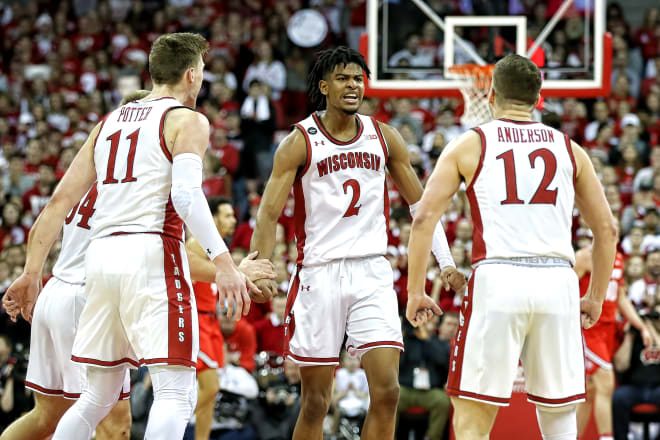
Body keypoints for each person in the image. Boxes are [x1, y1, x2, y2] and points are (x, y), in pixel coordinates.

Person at [2, 33, 257, 440]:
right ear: (191, 75)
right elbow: (187, 196)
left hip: (99, 260)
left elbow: (56, 204)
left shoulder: (107, 123)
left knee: (96, 397)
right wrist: (224, 263)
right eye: (202, 73)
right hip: (151, 251)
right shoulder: (187, 119)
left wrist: (32, 272)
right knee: (176, 391)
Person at [250, 46, 465, 440]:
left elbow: (423, 207)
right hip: (320, 273)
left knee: (387, 393)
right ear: (324, 87)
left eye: (358, 79)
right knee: (316, 401)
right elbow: (267, 214)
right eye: (344, 78)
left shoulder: (384, 136)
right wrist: (262, 268)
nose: (353, 85)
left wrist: (446, 261)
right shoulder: (299, 141)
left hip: (372, 271)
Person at [406, 54, 618, 440]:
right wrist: (595, 296)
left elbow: (423, 219)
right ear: (540, 98)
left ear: (489, 94)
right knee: (558, 414)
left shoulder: (470, 143)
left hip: (499, 279)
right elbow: (606, 230)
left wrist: (416, 290)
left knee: (473, 416)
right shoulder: (570, 148)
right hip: (558, 281)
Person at [0, 185, 131, 440]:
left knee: (47, 416)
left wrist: (31, 274)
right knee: (115, 424)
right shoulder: (137, 179)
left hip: (55, 291)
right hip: (86, 300)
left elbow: (48, 214)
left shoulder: (87, 178)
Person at [186, 196, 275, 440]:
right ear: (212, 218)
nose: (233, 220)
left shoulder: (216, 246)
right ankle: (167, 426)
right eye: (227, 215)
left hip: (210, 320)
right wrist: (238, 271)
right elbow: (189, 263)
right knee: (209, 387)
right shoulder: (196, 242)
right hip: (195, 320)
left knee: (210, 392)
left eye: (234, 215)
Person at [574, 248, 652, 440]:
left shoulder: (618, 258)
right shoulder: (584, 256)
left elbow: (621, 298)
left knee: (590, 391)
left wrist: (641, 326)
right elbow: (565, 290)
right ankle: (607, 437)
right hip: (588, 328)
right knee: (606, 383)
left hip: (607, 331)